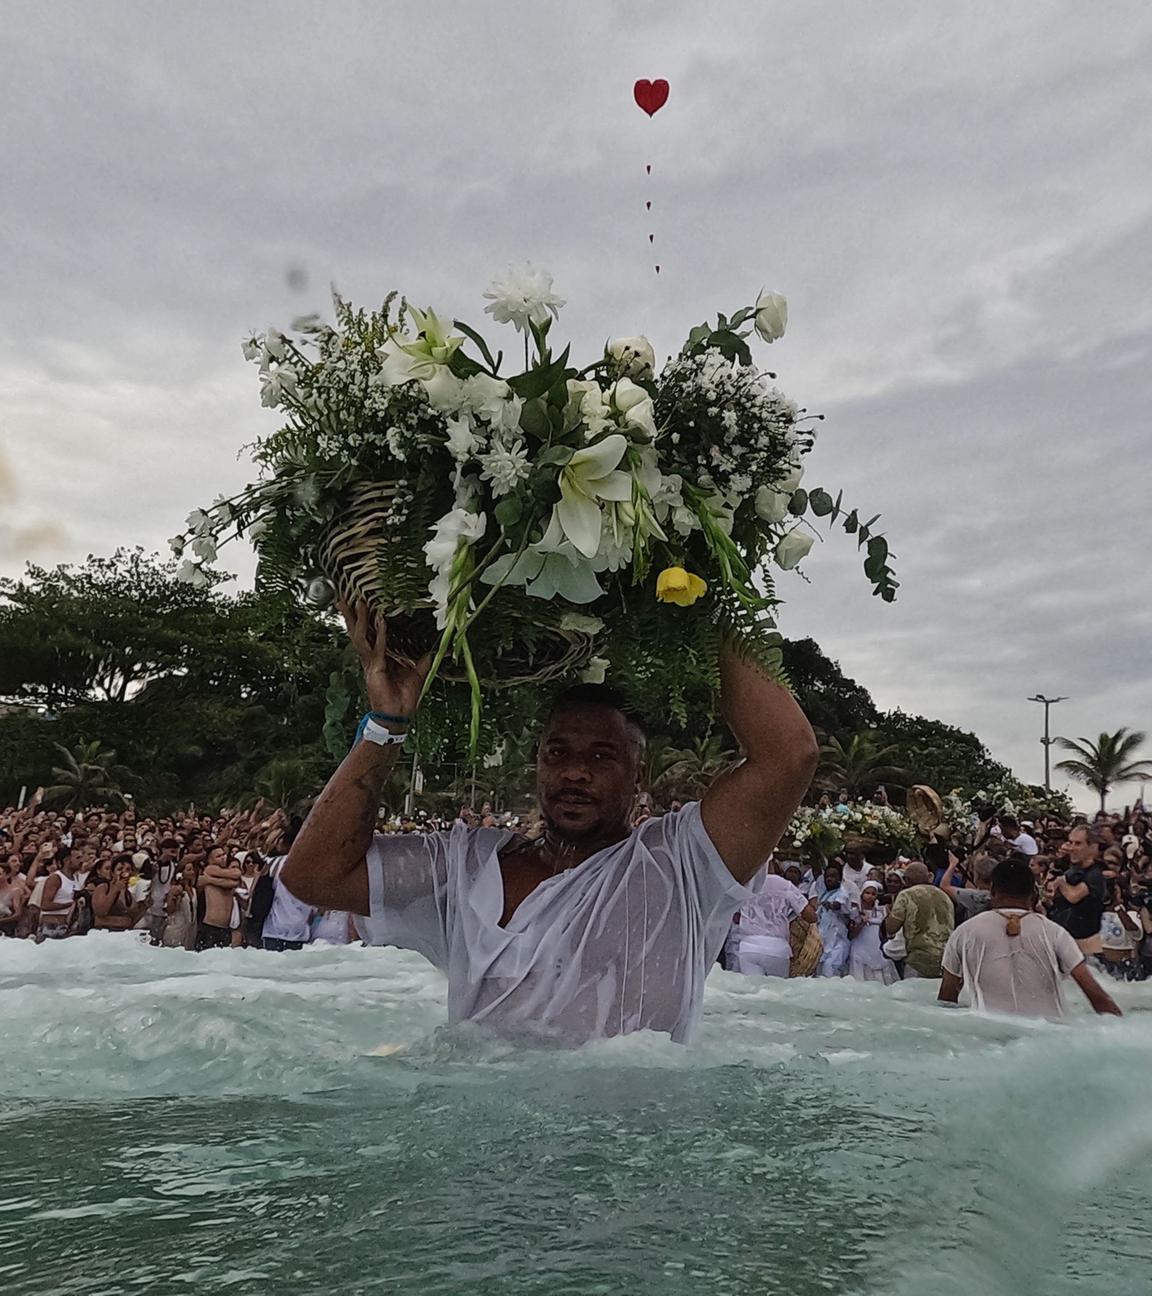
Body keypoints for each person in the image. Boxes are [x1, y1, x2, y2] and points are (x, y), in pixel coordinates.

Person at [281, 602, 819, 1044]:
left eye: (603, 756)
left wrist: (696, 596)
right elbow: (312, 876)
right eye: (558, 753)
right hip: (483, 1150)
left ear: (640, 774)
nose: (576, 773)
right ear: (537, 762)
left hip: (627, 1154)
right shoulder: (465, 864)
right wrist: (387, 723)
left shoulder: (682, 868)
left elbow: (788, 756)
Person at [938, 858, 1121, 1018]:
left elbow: (947, 1001)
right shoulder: (1055, 932)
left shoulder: (963, 933)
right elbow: (1097, 996)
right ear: (1033, 894)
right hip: (1050, 1036)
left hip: (989, 1035)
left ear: (992, 891)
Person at [733, 868, 815, 977]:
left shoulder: (744, 884)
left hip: (749, 947)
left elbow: (735, 917)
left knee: (752, 990)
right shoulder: (785, 885)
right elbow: (811, 916)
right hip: (778, 949)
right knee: (776, 990)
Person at [884, 861, 954, 978]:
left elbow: (891, 928)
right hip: (945, 960)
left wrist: (889, 915)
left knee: (914, 994)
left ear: (906, 880)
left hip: (918, 961)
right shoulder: (945, 896)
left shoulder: (906, 895)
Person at [1048, 826, 1107, 957]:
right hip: (1067, 950)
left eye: (1078, 843)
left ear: (1092, 847)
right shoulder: (1071, 872)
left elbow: (1073, 896)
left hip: (1089, 953)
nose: (1072, 848)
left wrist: (1060, 882)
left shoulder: (1097, 873)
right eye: (1070, 842)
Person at [849, 880, 896, 984]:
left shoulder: (881, 910)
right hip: (859, 946)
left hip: (876, 946)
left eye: (873, 894)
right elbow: (851, 934)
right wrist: (861, 922)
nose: (870, 896)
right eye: (867, 893)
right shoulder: (855, 911)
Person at [814, 861, 855, 978]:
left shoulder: (842, 893)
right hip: (824, 939)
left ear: (840, 878)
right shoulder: (824, 893)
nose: (829, 879)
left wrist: (831, 905)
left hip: (838, 940)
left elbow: (839, 905)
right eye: (827, 876)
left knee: (831, 970)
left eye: (833, 876)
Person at [196, 846, 240, 950]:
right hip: (211, 925)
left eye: (223, 854)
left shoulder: (229, 871)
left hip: (225, 927)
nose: (222, 857)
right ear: (210, 860)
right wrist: (214, 880)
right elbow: (232, 880)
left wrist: (210, 880)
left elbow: (236, 878)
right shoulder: (211, 868)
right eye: (218, 856)